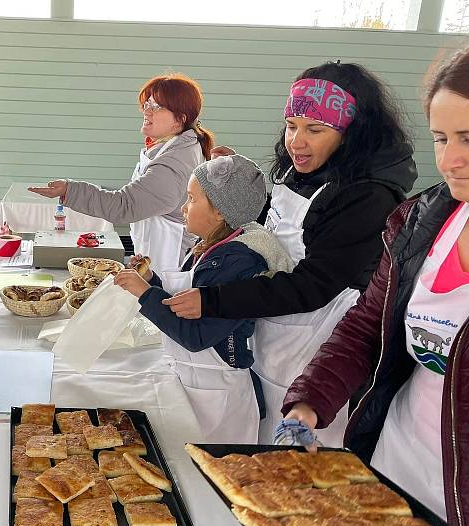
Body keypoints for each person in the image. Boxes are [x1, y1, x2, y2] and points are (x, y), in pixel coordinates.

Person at [162, 62, 417, 446]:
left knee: (294, 464)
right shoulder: (300, 170)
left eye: (314, 130)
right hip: (272, 335)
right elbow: (277, 230)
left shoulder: (367, 197)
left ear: (352, 134)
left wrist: (215, 300)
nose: (296, 141)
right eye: (292, 125)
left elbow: (312, 286)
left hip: (314, 352)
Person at [279, 46, 469, 526]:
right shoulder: (422, 223)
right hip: (394, 470)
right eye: (441, 138)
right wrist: (311, 399)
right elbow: (369, 325)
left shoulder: (370, 197)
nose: (450, 161)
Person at [115, 156, 292, 442]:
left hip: (219, 397)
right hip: (197, 383)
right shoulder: (213, 246)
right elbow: (185, 303)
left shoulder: (237, 261)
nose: (183, 208)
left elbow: (196, 335)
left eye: (191, 199)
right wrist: (152, 281)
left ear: (220, 211)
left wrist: (144, 294)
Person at [29, 73, 214, 274]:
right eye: (147, 104)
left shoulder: (174, 163)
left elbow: (124, 205)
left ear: (180, 120)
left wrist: (70, 190)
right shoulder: (173, 146)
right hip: (156, 255)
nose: (147, 111)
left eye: (157, 107)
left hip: (167, 265)